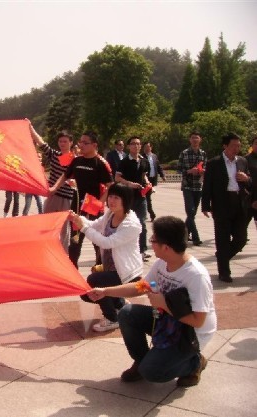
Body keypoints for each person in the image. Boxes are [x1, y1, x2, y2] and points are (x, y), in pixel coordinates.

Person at [87, 216, 216, 387]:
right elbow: (141, 287)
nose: (150, 244)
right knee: (127, 313)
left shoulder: (196, 276)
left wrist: (163, 304)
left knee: (153, 372)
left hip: (190, 333)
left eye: (153, 240)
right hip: (168, 318)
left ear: (166, 247)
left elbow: (198, 321)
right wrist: (105, 292)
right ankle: (141, 360)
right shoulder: (162, 263)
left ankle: (194, 363)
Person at [70, 183, 143, 332]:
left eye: (117, 198)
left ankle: (112, 318)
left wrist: (83, 228)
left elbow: (107, 242)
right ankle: (119, 304)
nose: (111, 201)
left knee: (95, 281)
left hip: (127, 273)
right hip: (111, 270)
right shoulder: (110, 214)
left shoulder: (132, 224)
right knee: (86, 293)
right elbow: (94, 224)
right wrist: (78, 219)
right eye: (110, 196)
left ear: (126, 200)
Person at [51, 131, 113, 268]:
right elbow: (65, 176)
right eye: (81, 142)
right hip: (77, 208)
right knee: (75, 242)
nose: (81, 145)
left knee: (97, 242)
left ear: (94, 145)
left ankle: (99, 270)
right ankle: (73, 271)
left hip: (94, 210)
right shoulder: (77, 161)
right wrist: (54, 188)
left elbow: (110, 186)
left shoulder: (100, 163)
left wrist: (99, 203)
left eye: (85, 143)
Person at [202, 133, 252, 283]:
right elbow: (207, 185)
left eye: (238, 146)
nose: (236, 149)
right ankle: (224, 272)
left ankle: (222, 257)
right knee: (222, 239)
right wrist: (205, 205)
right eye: (233, 146)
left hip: (239, 203)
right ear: (225, 146)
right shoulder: (214, 163)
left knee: (241, 239)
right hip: (222, 205)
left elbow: (249, 181)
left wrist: (246, 179)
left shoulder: (242, 161)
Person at [29, 125, 76, 251]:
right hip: (52, 195)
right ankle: (45, 247)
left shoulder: (76, 160)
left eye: (65, 141)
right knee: (46, 223)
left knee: (64, 227)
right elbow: (41, 143)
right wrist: (30, 127)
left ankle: (63, 252)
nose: (62, 144)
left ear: (71, 142)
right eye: (60, 141)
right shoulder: (54, 155)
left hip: (67, 197)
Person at [115, 136, 151, 261]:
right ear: (129, 146)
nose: (136, 146)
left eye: (138, 143)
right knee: (126, 223)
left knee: (142, 223)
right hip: (127, 197)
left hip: (141, 197)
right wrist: (129, 184)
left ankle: (142, 250)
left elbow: (144, 175)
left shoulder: (144, 161)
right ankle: (125, 249)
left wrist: (147, 183)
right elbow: (117, 178)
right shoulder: (124, 162)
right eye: (133, 143)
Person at [178, 131, 207, 246]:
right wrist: (189, 171)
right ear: (190, 140)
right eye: (193, 138)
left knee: (192, 214)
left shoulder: (203, 154)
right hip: (188, 186)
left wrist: (202, 171)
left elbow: (206, 168)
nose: (195, 140)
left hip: (198, 186)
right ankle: (196, 237)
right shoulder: (184, 153)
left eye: (197, 138)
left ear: (200, 140)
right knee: (190, 211)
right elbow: (179, 169)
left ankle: (183, 235)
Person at [142, 141, 166, 221]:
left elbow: (158, 167)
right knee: (147, 197)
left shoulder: (154, 156)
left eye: (148, 147)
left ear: (151, 148)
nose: (146, 149)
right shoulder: (141, 157)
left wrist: (162, 175)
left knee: (146, 197)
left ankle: (146, 213)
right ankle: (151, 214)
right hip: (145, 180)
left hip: (152, 180)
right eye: (145, 147)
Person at [245, 135, 257, 230]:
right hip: (248, 198)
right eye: (256, 143)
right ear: (252, 145)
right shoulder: (244, 160)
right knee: (241, 228)